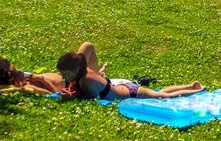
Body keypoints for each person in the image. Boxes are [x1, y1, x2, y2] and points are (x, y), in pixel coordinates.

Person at [56, 42, 204, 100]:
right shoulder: (83, 67)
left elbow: (93, 101)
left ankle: (196, 90)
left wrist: (72, 98)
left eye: (64, 73)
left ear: (74, 70)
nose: (61, 76)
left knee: (163, 96)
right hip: (121, 85)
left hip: (130, 92)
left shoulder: (87, 80)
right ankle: (191, 85)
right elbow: (87, 45)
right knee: (160, 92)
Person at [0, 57, 67, 94]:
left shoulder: (21, 79)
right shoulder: (28, 87)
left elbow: (3, 59)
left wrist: (15, 73)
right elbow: (54, 94)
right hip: (69, 81)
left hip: (61, 73)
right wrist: (41, 79)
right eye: (11, 74)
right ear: (12, 82)